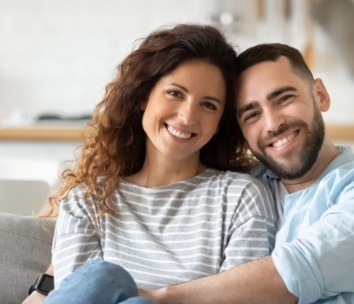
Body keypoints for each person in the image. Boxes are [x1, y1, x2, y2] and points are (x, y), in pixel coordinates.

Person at [140, 43, 354, 303]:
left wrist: (158, 298)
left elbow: (296, 273)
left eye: (284, 98)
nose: (272, 124)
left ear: (321, 95)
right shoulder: (245, 190)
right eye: (252, 114)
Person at [25, 24, 277, 304]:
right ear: (145, 96)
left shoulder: (240, 197)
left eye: (208, 105)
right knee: (103, 278)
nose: (186, 117)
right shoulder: (87, 200)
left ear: (219, 123)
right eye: (175, 93)